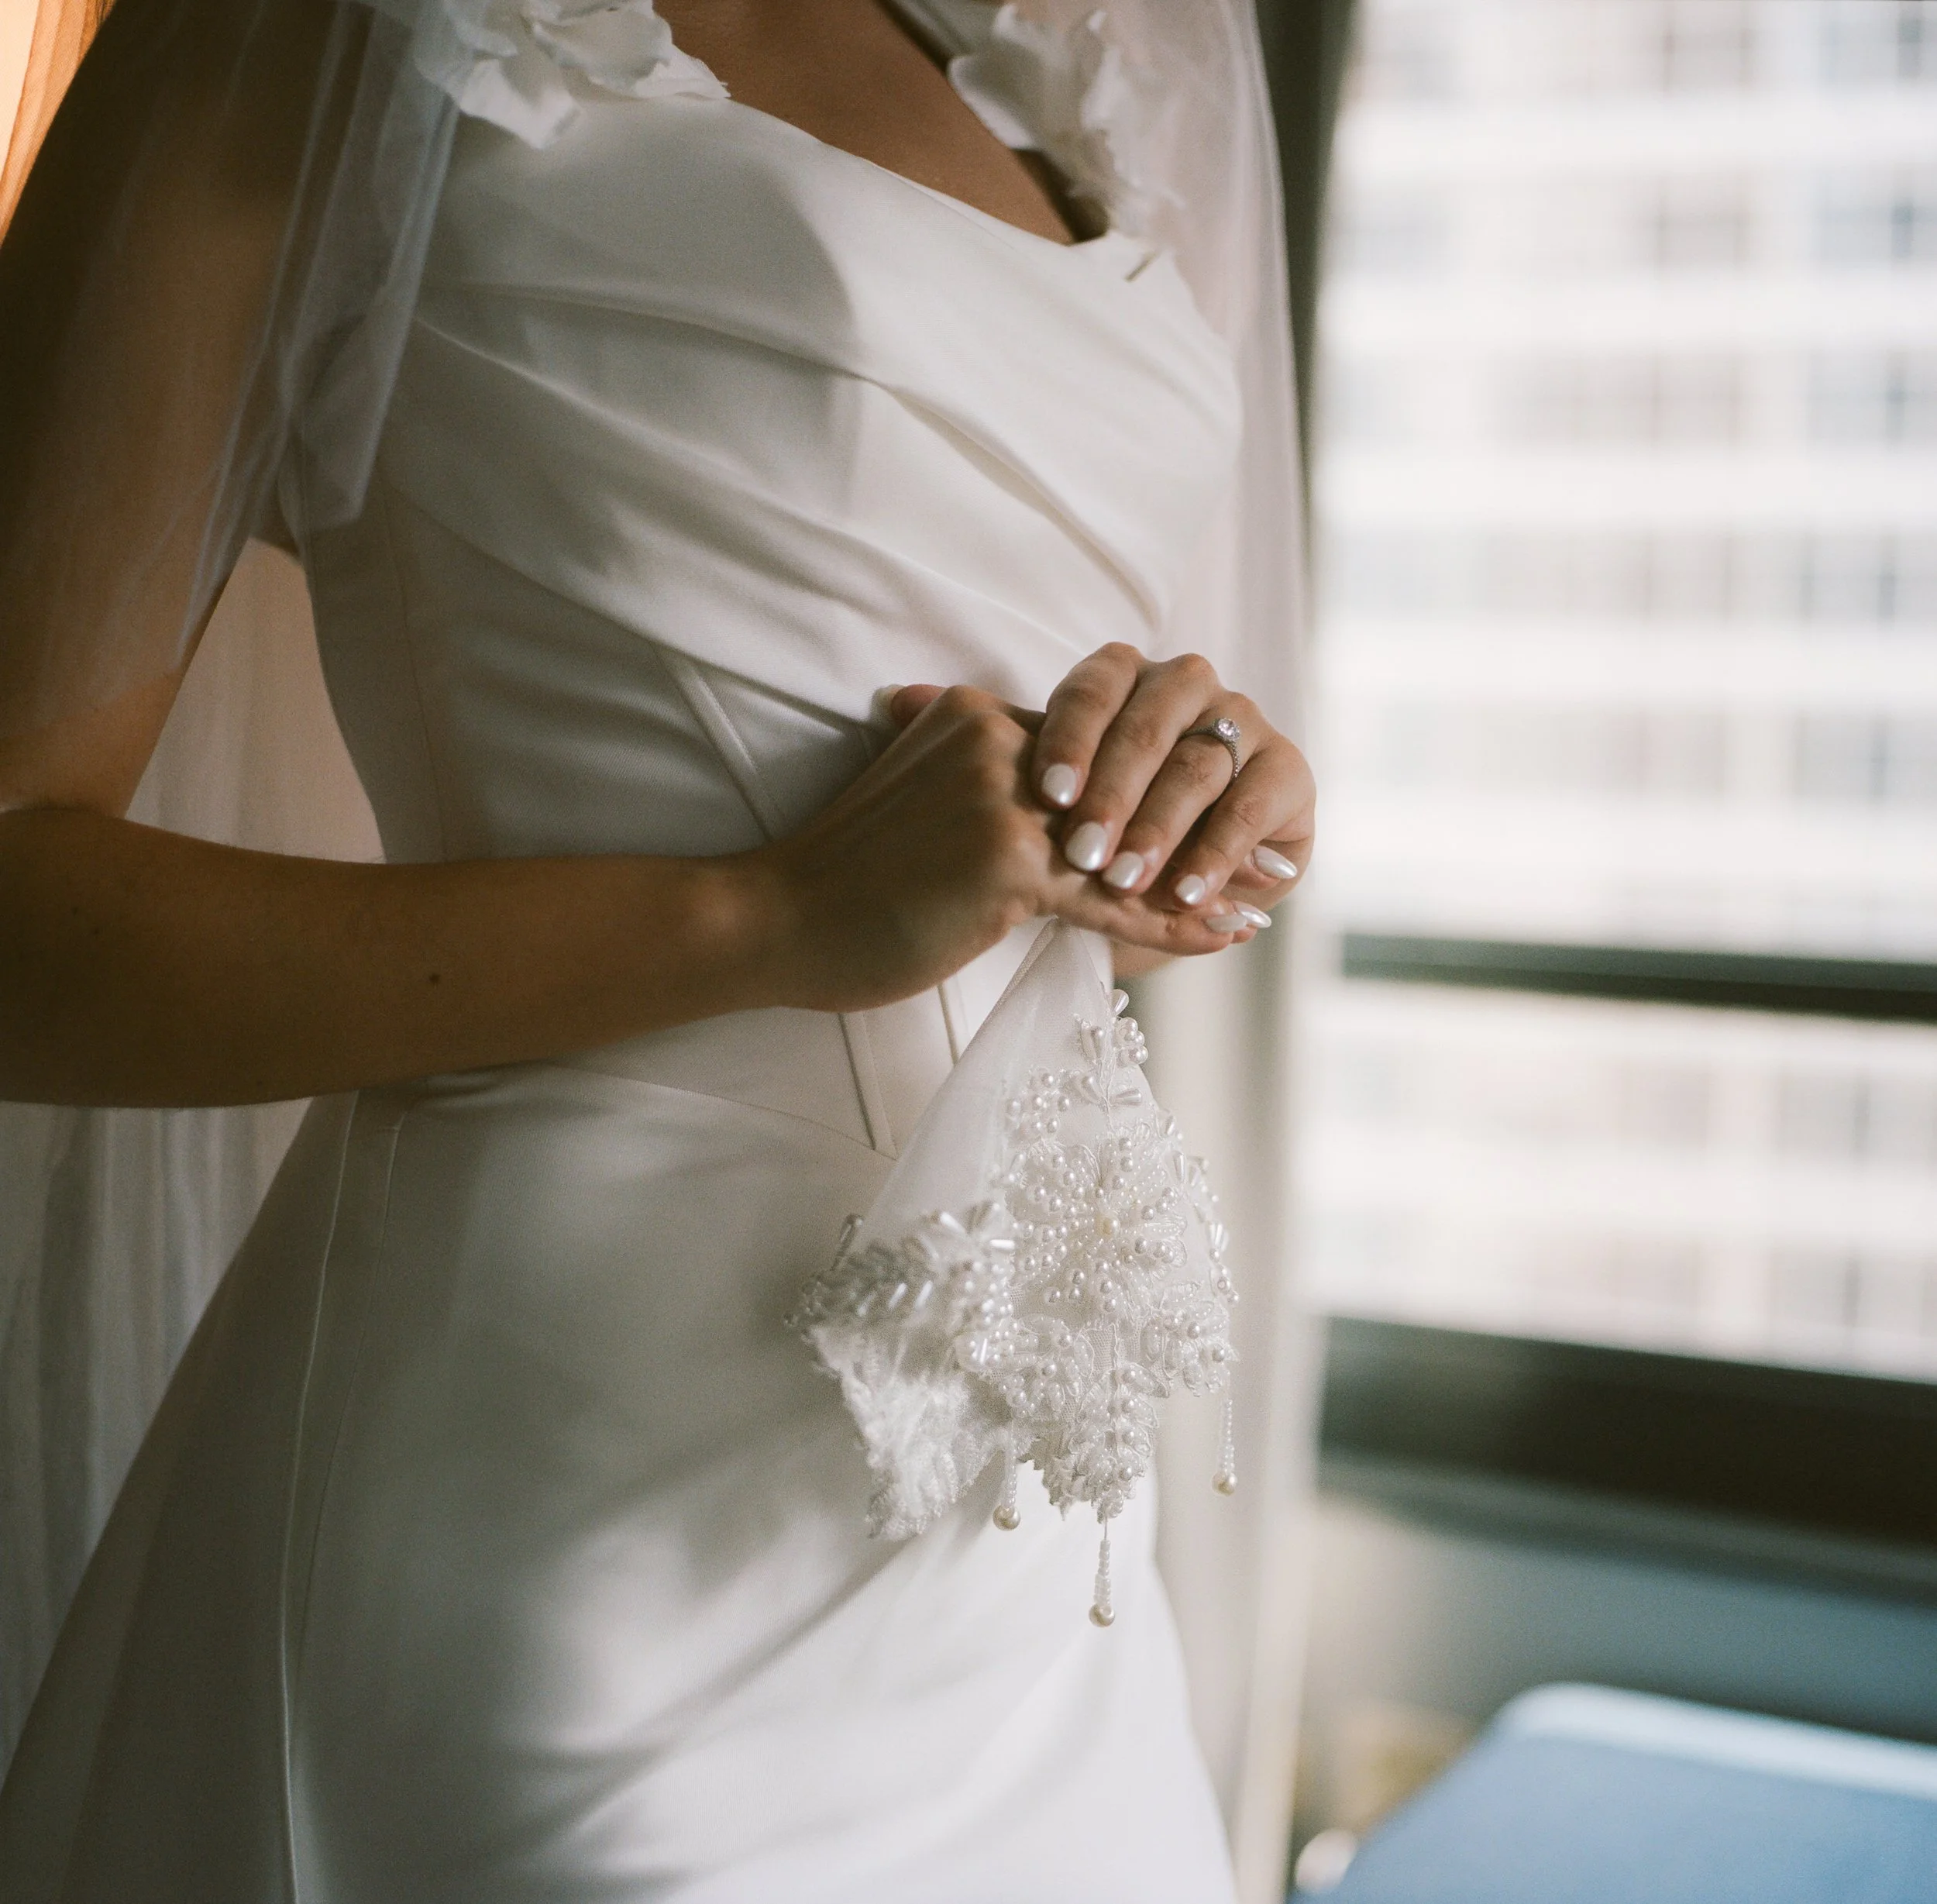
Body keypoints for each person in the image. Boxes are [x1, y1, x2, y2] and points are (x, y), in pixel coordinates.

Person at [0, 0, 1313, 1895]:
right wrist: (761, 917)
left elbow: (1023, 842)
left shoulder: (1066, 56)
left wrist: (1181, 802)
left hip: (1018, 1533)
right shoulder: (302, 31)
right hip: (569, 1531)